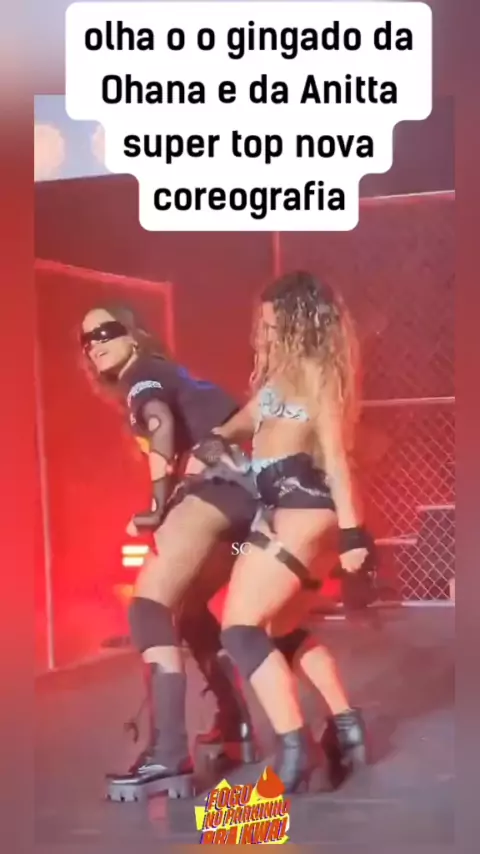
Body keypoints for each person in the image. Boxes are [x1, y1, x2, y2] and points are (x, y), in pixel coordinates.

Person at [80, 305, 259, 800]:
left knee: (148, 607)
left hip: (217, 490)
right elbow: (221, 424)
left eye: (106, 332)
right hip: (247, 496)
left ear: (134, 335)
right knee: (189, 608)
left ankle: (168, 756)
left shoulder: (142, 376)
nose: (95, 344)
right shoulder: (170, 374)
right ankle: (235, 723)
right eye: (87, 340)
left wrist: (158, 505)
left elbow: (158, 422)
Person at [208, 271, 371, 793]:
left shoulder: (318, 376)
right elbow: (244, 422)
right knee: (281, 629)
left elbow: (337, 458)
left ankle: (294, 750)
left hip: (303, 506)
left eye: (274, 325)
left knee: (240, 629)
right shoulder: (278, 382)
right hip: (287, 508)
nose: (265, 333)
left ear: (300, 325)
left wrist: (354, 534)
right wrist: (216, 440)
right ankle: (346, 726)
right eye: (264, 325)